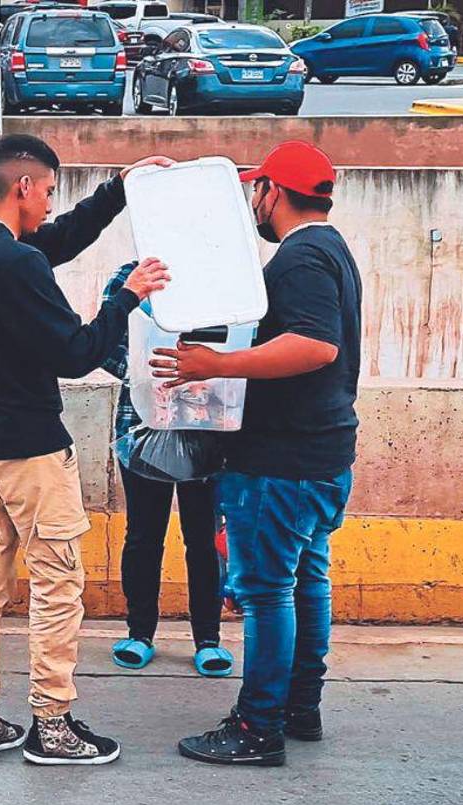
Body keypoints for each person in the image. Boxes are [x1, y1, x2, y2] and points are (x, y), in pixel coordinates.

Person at [0, 133, 172, 766]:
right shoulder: (14, 263)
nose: (49, 203)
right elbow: (77, 353)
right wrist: (128, 297)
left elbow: (59, 240)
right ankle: (53, 723)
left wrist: (119, 190)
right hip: (32, 449)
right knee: (56, 583)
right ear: (22, 187)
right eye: (46, 191)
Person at [151, 141, 362, 767]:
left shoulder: (300, 258)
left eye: (256, 191)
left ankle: (258, 726)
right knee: (304, 582)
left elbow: (315, 346)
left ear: (273, 191)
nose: (253, 203)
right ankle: (300, 707)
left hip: (281, 462)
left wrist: (216, 364)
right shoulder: (332, 249)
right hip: (317, 456)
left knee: (268, 591)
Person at [99, 262, 231, 677]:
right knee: (143, 535)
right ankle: (139, 633)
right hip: (142, 424)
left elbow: (239, 343)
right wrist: (148, 371)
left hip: (206, 425)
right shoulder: (130, 278)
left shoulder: (221, 277)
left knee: (203, 537)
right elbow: (106, 343)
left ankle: (208, 639)